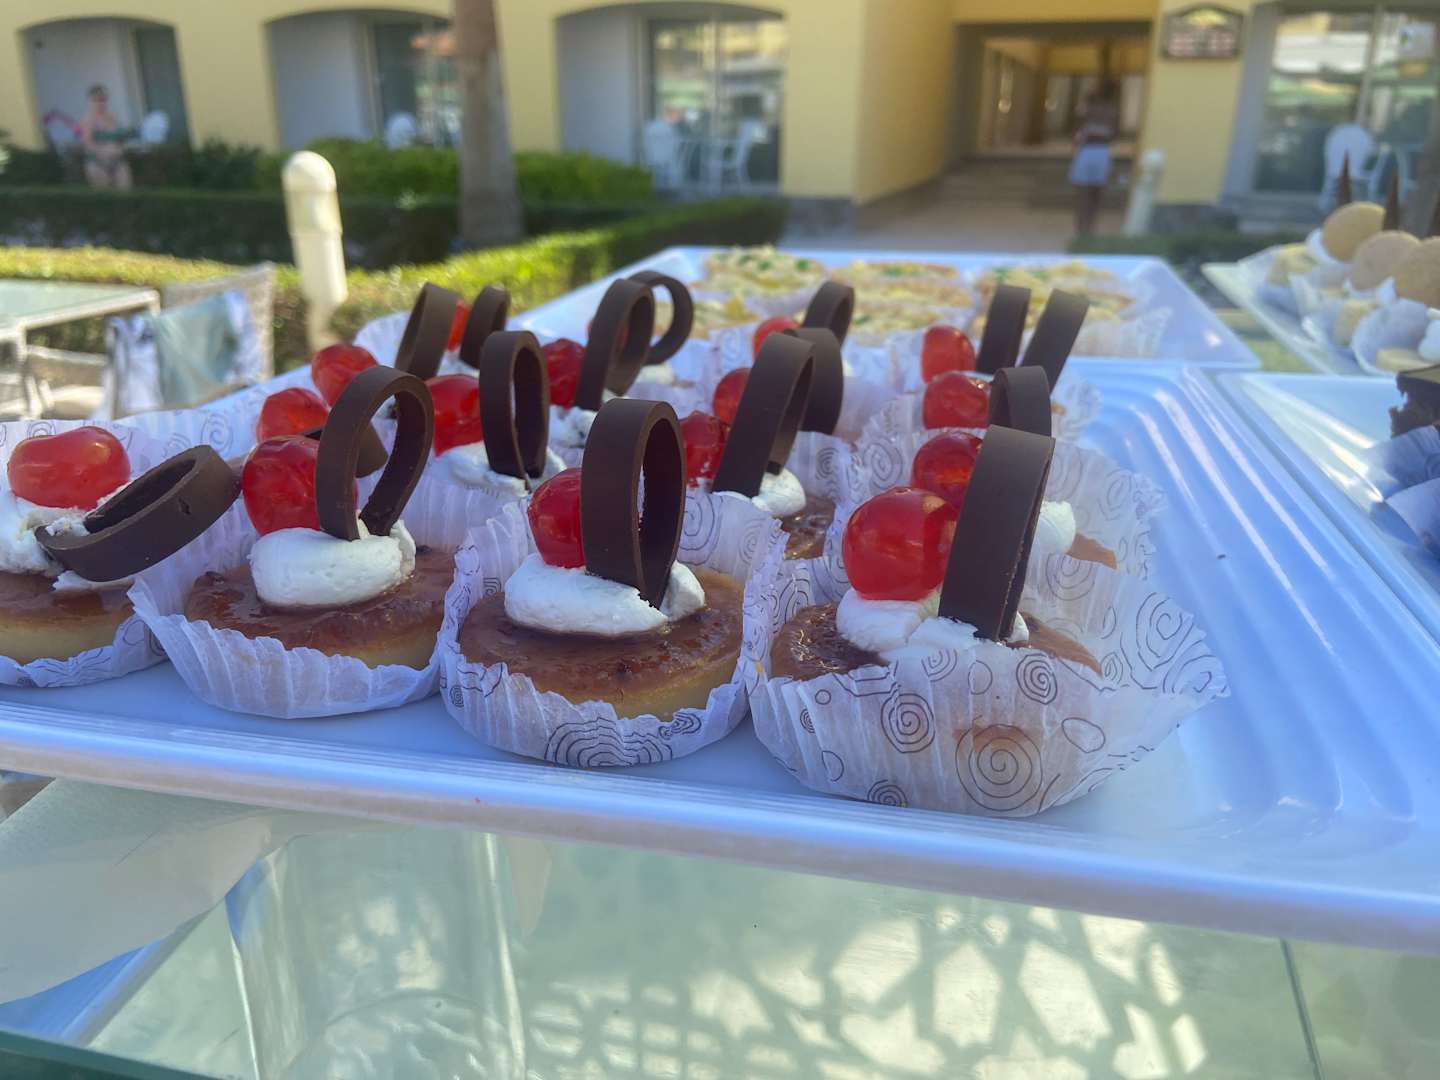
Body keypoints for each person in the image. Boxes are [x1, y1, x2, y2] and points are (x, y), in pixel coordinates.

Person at [1069, 81, 1119, 237]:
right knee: (1096, 193)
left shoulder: (1086, 110)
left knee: (1083, 194)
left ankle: (1081, 228)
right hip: (1102, 152)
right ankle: (1090, 228)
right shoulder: (1112, 112)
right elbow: (1114, 134)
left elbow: (1076, 134)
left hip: (1087, 151)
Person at [78, 85, 132, 190]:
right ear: (90, 101)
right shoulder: (88, 120)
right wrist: (103, 156)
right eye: (96, 100)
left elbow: (120, 138)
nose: (100, 103)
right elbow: (87, 144)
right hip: (99, 164)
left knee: (125, 192)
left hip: (118, 162)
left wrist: (120, 147)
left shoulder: (113, 117)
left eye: (103, 100)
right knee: (105, 193)